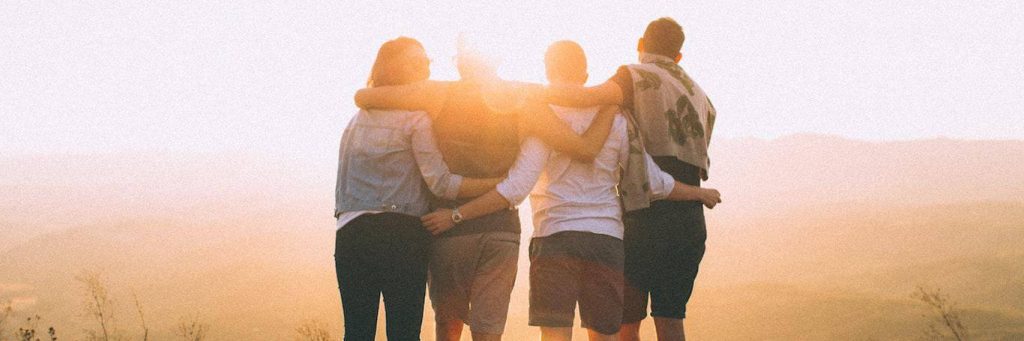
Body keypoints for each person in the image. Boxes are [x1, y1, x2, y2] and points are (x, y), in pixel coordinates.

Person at [354, 41, 618, 341]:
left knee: (448, 328)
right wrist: (611, 103)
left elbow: (364, 97)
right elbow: (584, 148)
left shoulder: (437, 93)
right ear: (497, 61)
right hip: (500, 230)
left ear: (459, 63)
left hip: (448, 231)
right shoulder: (524, 97)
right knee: (488, 332)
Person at [491, 40, 720, 341]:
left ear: (547, 71)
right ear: (585, 75)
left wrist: (461, 208)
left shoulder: (541, 118)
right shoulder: (617, 118)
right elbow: (651, 181)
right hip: (605, 240)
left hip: (554, 236)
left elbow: (518, 186)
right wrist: (698, 193)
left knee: (555, 336)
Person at [333, 37, 502, 341]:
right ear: (396, 68)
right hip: (402, 234)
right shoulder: (416, 119)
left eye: (427, 61)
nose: (426, 67)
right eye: (418, 62)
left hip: (351, 233)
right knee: (404, 333)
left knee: (357, 332)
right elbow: (441, 183)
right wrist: (495, 184)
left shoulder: (354, 121)